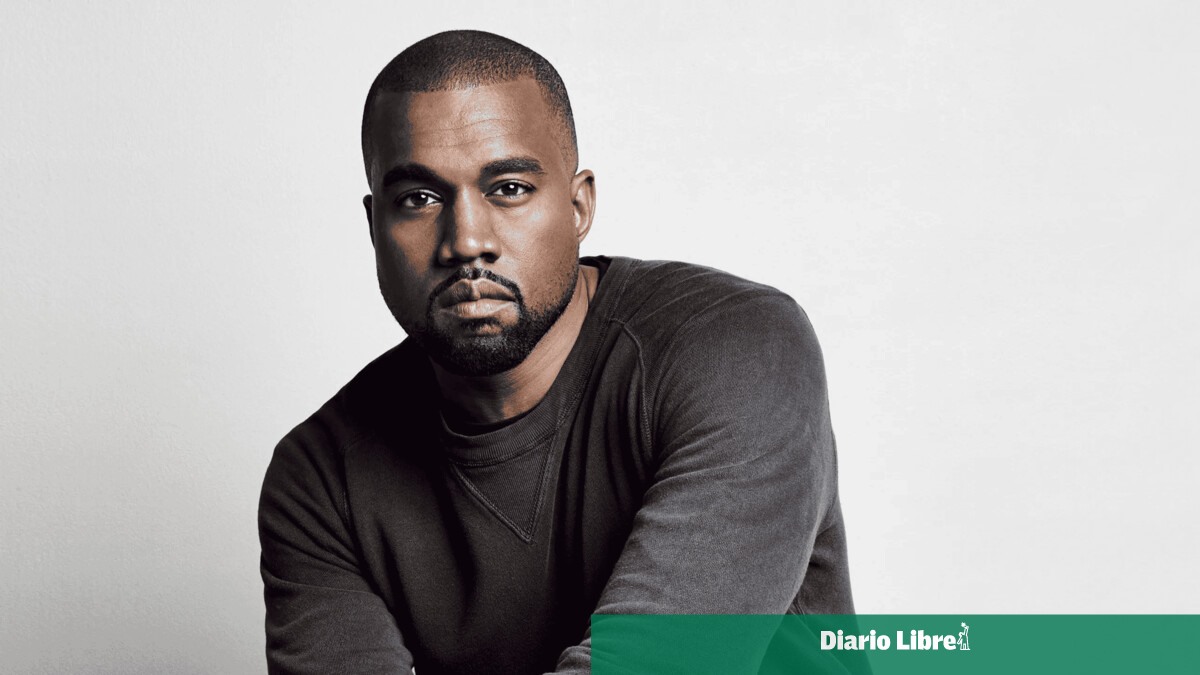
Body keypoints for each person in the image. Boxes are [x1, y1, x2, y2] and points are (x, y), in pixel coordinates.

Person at [258, 29, 855, 675]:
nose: (467, 241)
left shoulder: (737, 347)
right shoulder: (321, 478)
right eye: (418, 199)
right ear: (375, 227)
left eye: (509, 188)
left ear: (578, 206)